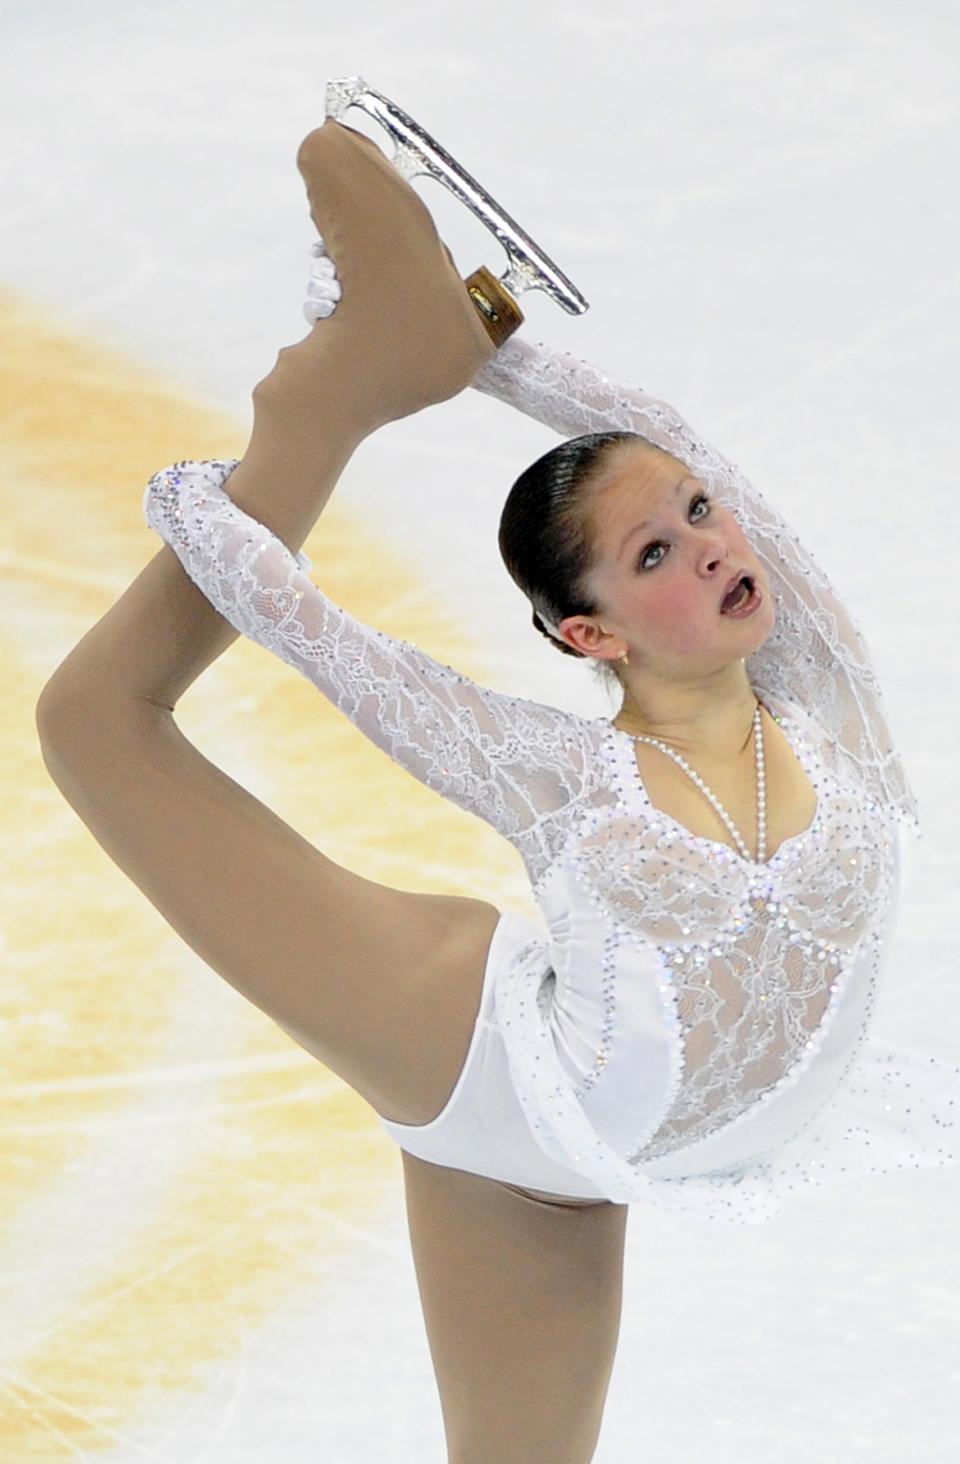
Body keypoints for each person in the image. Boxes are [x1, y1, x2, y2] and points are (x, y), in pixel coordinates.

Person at [35, 119, 959, 1464]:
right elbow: (342, 659)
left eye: (702, 515)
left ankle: (382, 359)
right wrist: (211, 510)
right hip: (487, 1070)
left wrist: (502, 353)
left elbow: (672, 439)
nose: (711, 547)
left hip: (575, 1173)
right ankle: (330, 405)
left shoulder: (820, 683)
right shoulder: (576, 775)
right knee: (95, 722)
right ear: (590, 635)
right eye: (657, 550)